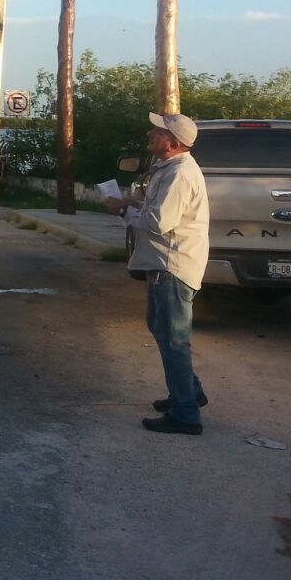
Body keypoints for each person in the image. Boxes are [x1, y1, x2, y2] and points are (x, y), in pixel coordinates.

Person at [106, 112, 210, 435]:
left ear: (173, 143)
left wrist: (124, 210)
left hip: (172, 267)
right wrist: (133, 204)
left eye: (158, 132)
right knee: (161, 329)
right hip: (166, 265)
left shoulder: (179, 174)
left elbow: (159, 223)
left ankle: (186, 415)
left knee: (174, 339)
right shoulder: (171, 169)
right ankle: (188, 392)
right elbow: (159, 213)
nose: (151, 135)